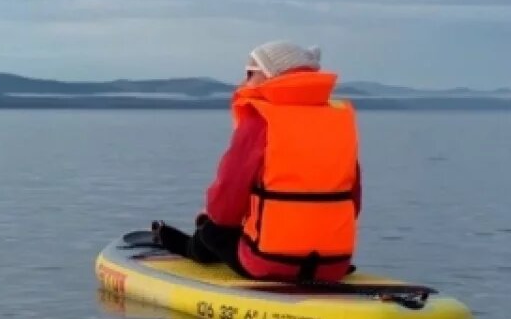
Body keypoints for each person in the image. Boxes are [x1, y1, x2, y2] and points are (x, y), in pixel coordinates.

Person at [152, 40, 362, 283]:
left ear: (270, 75)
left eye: (250, 73)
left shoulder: (261, 121)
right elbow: (353, 204)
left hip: (270, 263)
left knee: (211, 228)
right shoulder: (340, 124)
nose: (243, 82)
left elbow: (224, 208)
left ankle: (187, 247)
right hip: (333, 265)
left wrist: (212, 221)